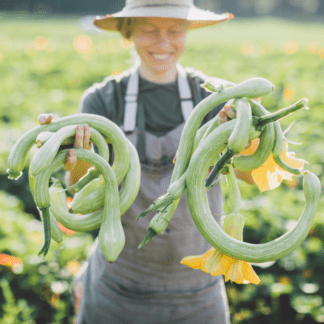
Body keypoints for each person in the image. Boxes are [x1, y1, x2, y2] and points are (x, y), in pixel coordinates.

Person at [39, 1, 242, 323]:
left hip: (199, 289)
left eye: (174, 30)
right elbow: (80, 193)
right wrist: (71, 153)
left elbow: (244, 175)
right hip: (118, 287)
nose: (163, 42)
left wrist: (244, 137)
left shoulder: (215, 97)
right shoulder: (104, 99)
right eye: (149, 30)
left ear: (187, 32)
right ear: (128, 32)